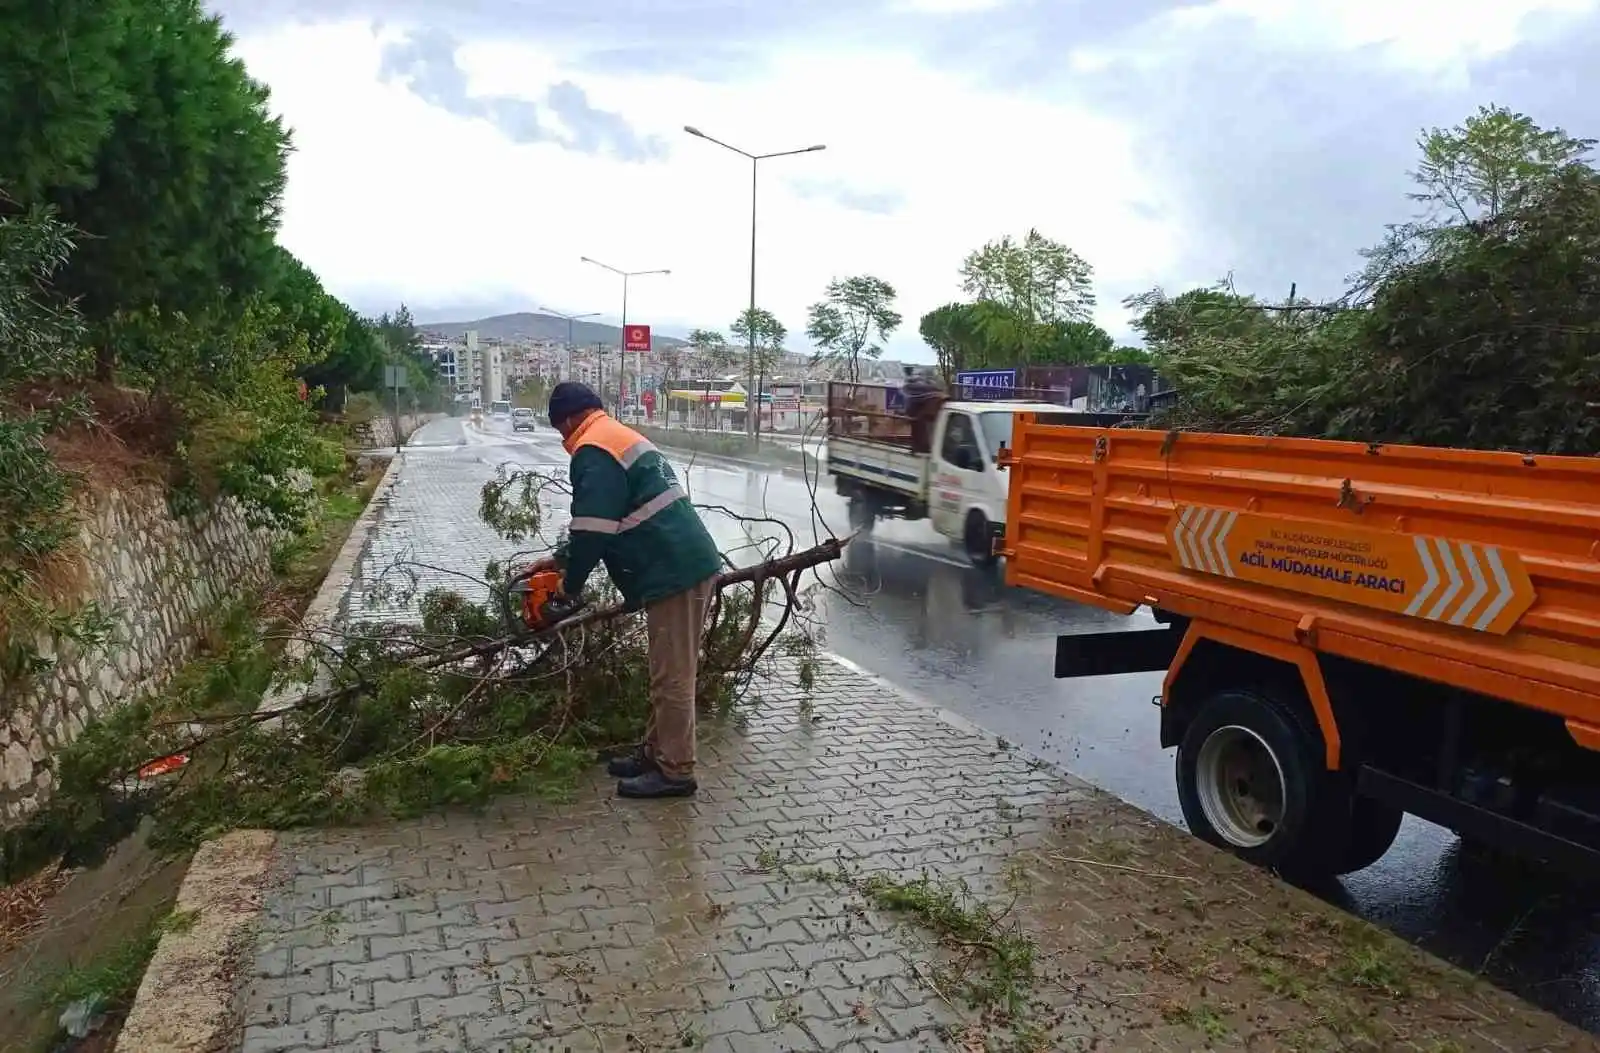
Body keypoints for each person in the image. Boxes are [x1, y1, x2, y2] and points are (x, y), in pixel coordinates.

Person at [532, 382, 723, 799]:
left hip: (675, 570)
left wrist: (568, 589)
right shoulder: (613, 436)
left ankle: (676, 772)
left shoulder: (592, 450)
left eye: (559, 431)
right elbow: (611, 517)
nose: (563, 440)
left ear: (566, 420)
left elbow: (593, 527)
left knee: (672, 677)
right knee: (664, 672)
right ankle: (656, 753)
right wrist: (560, 560)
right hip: (675, 565)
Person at [900, 366, 945, 454]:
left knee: (919, 429)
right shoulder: (927, 387)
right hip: (926, 414)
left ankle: (918, 448)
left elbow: (909, 402)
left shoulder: (911, 388)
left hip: (921, 414)